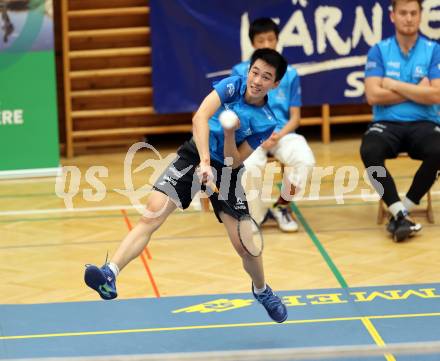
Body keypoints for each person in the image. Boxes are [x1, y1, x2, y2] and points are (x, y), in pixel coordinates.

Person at [84, 48, 289, 323]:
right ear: (248, 70)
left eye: (266, 77)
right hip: (196, 153)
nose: (257, 80)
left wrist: (229, 133)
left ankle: (262, 290)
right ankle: (110, 272)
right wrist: (204, 161)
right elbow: (200, 117)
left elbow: (235, 159)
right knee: (152, 213)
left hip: (227, 171)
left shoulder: (266, 120)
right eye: (255, 72)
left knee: (246, 245)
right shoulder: (233, 85)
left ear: (274, 84)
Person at [361, 0, 440, 242]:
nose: (408, 18)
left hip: (425, 124)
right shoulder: (379, 50)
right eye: (403, 13)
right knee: (369, 150)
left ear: (420, 16)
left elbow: (436, 94)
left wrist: (393, 84)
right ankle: (398, 210)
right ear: (393, 16)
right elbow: (373, 95)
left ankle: (402, 209)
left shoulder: (433, 49)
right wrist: (418, 90)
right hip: (387, 124)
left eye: (413, 13)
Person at [232, 18, 315, 233]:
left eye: (271, 39)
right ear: (253, 44)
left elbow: (295, 117)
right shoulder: (240, 72)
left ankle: (281, 206)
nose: (267, 44)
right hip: (251, 135)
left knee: (305, 160)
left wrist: (278, 134)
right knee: (249, 168)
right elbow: (236, 112)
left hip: (282, 134)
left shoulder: (291, 74)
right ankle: (257, 216)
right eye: (261, 40)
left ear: (278, 41)